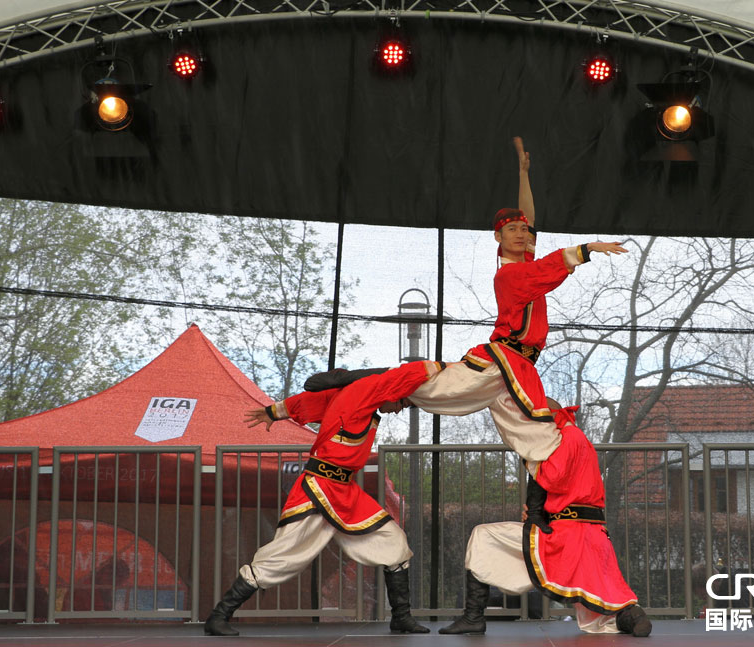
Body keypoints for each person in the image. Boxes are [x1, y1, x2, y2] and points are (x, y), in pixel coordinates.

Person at [409, 136, 628, 464]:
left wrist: (524, 174)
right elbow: (546, 270)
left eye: (523, 230)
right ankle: (373, 386)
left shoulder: (524, 262)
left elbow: (529, 217)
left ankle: (547, 493)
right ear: (498, 237)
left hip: (520, 365)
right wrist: (588, 249)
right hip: (502, 362)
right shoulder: (509, 276)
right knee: (434, 390)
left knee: (539, 438)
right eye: (512, 229)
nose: (522, 233)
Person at [204, 360, 445, 637]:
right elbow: (392, 378)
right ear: (392, 391)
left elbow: (312, 400)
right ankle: (219, 615)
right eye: (403, 402)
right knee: (283, 556)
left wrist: (275, 411)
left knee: (394, 542)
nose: (401, 408)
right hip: (318, 488)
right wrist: (439, 366)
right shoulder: (360, 394)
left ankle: (401, 617)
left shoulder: (358, 403)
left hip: (345, 491)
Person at [438, 400, 651, 637]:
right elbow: (570, 491)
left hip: (567, 535)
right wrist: (541, 513)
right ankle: (630, 616)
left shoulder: (566, 438)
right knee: (596, 616)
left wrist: (533, 462)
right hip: (590, 535)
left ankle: (473, 617)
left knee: (483, 535)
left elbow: (554, 477)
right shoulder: (576, 438)